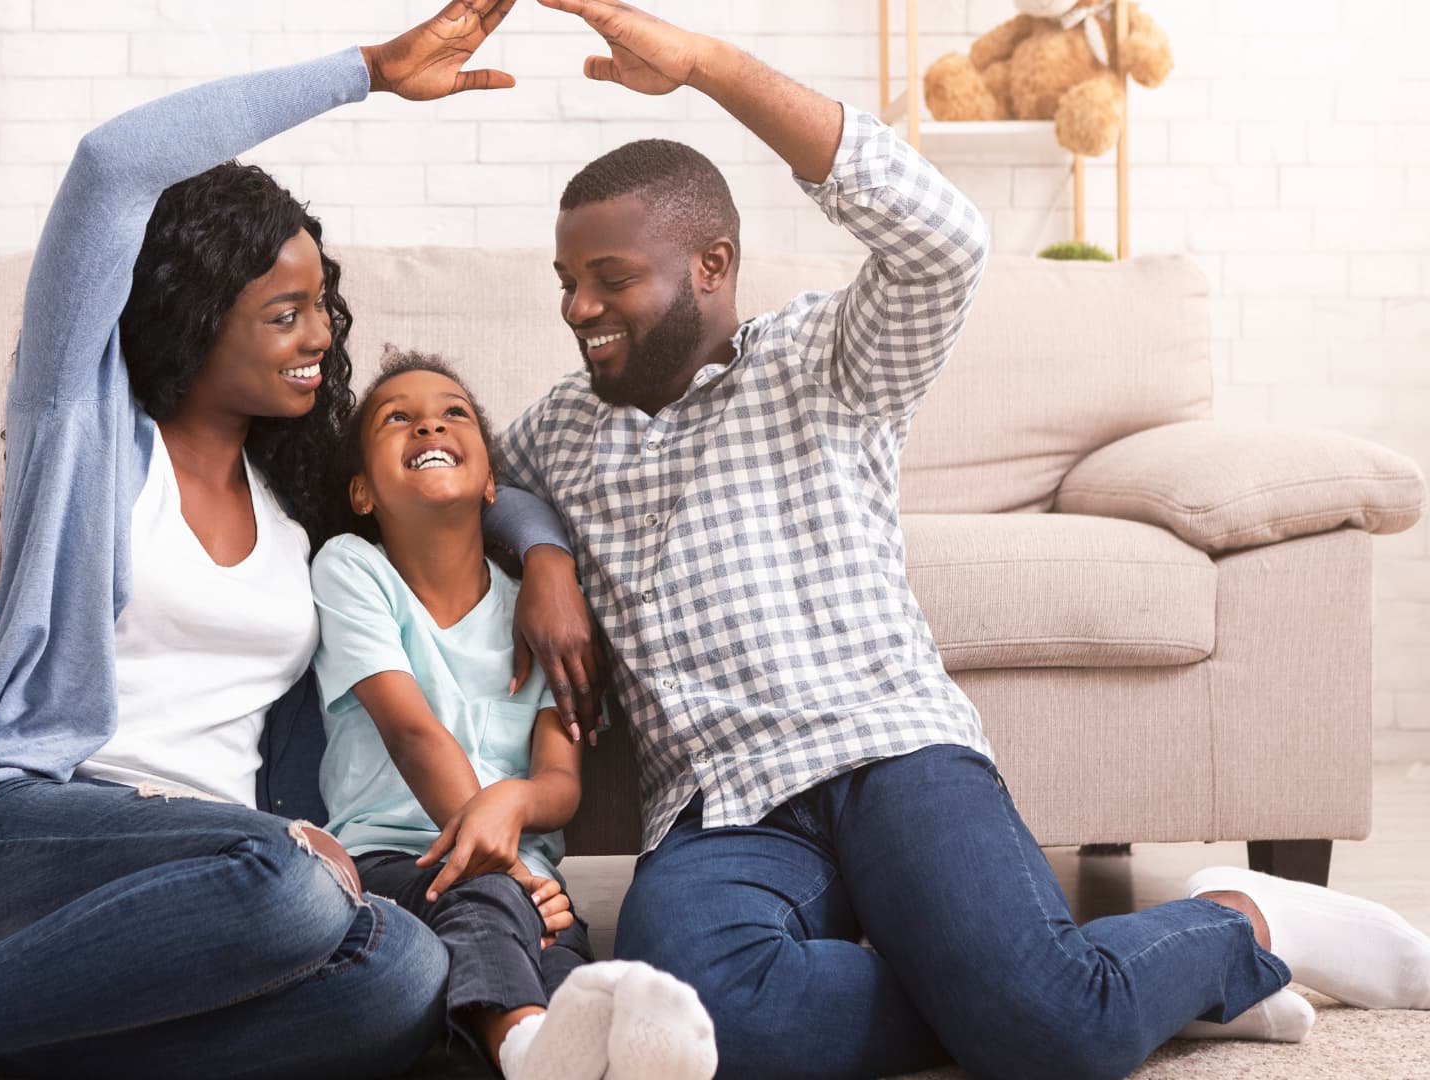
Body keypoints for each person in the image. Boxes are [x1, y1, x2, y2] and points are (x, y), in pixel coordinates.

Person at [489, 1, 1430, 1077]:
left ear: (711, 265)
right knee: (698, 1023)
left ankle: (1237, 925)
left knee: (1052, 1036)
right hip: (718, 805)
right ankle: (1060, 982)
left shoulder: (824, 360)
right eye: (569, 284)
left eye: (613, 280)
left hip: (892, 753)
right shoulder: (565, 424)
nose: (580, 309)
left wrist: (706, 64)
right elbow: (478, 486)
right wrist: (546, 553)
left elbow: (944, 240)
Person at [0, 5, 602, 1079]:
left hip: (227, 898)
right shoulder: (84, 437)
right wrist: (365, 71)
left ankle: (24, 1041)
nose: (322, 336)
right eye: (285, 312)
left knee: (406, 974)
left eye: (322, 305)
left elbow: (452, 482)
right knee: (299, 880)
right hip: (39, 843)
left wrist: (545, 556)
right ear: (195, 317)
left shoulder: (300, 506)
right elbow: (111, 165)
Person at [312, 350, 717, 1080]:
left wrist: (515, 806)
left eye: (453, 412)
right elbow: (411, 732)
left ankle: (587, 1052)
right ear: (363, 492)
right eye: (396, 417)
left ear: (492, 485)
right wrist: (505, 860)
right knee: (489, 904)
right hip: (392, 862)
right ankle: (528, 1046)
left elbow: (560, 782)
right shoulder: (351, 567)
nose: (428, 420)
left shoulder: (528, 615)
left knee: (562, 956)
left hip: (523, 880)